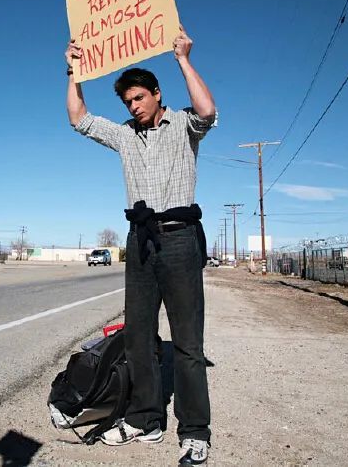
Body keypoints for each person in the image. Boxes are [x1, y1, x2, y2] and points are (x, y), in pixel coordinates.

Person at [64, 26, 216, 466]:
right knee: (138, 338)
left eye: (138, 99)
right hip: (141, 241)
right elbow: (79, 120)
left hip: (180, 240)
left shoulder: (183, 125)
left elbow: (208, 111)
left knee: (187, 343)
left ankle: (194, 432)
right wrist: (73, 72)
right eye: (127, 102)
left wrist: (184, 58)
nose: (133, 107)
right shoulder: (125, 135)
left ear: (155, 93)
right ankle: (146, 418)